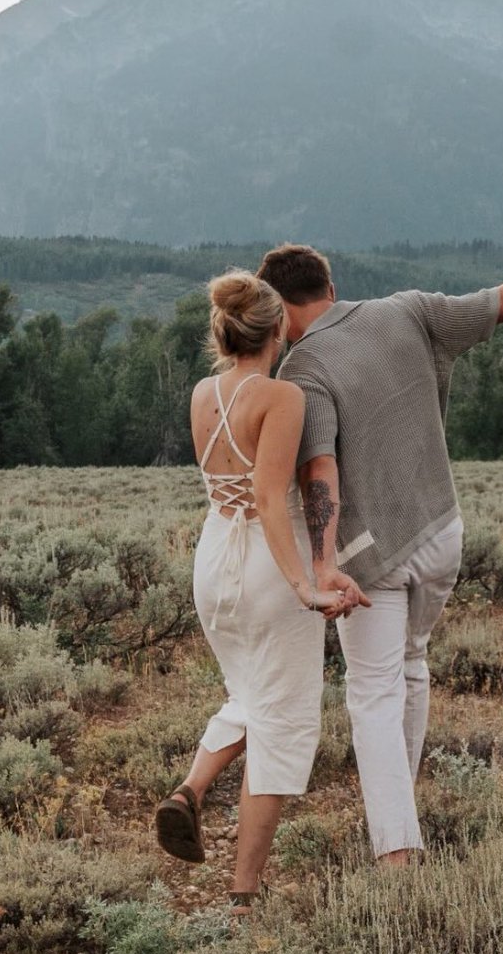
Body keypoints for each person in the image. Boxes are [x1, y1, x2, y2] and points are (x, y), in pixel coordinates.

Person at [257, 245, 503, 863]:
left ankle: (397, 855)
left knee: (372, 692)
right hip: (442, 528)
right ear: (331, 284)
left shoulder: (303, 369)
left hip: (373, 553)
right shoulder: (407, 311)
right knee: (410, 664)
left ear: (278, 306)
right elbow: (501, 303)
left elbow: (319, 468)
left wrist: (323, 564)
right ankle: (401, 816)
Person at [153, 270, 364, 914]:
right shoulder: (282, 397)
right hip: (270, 568)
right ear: (278, 329)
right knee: (281, 718)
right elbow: (272, 500)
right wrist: (305, 585)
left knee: (247, 695)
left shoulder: (201, 393)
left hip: (214, 559)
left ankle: (191, 789)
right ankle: (244, 894)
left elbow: (239, 494)